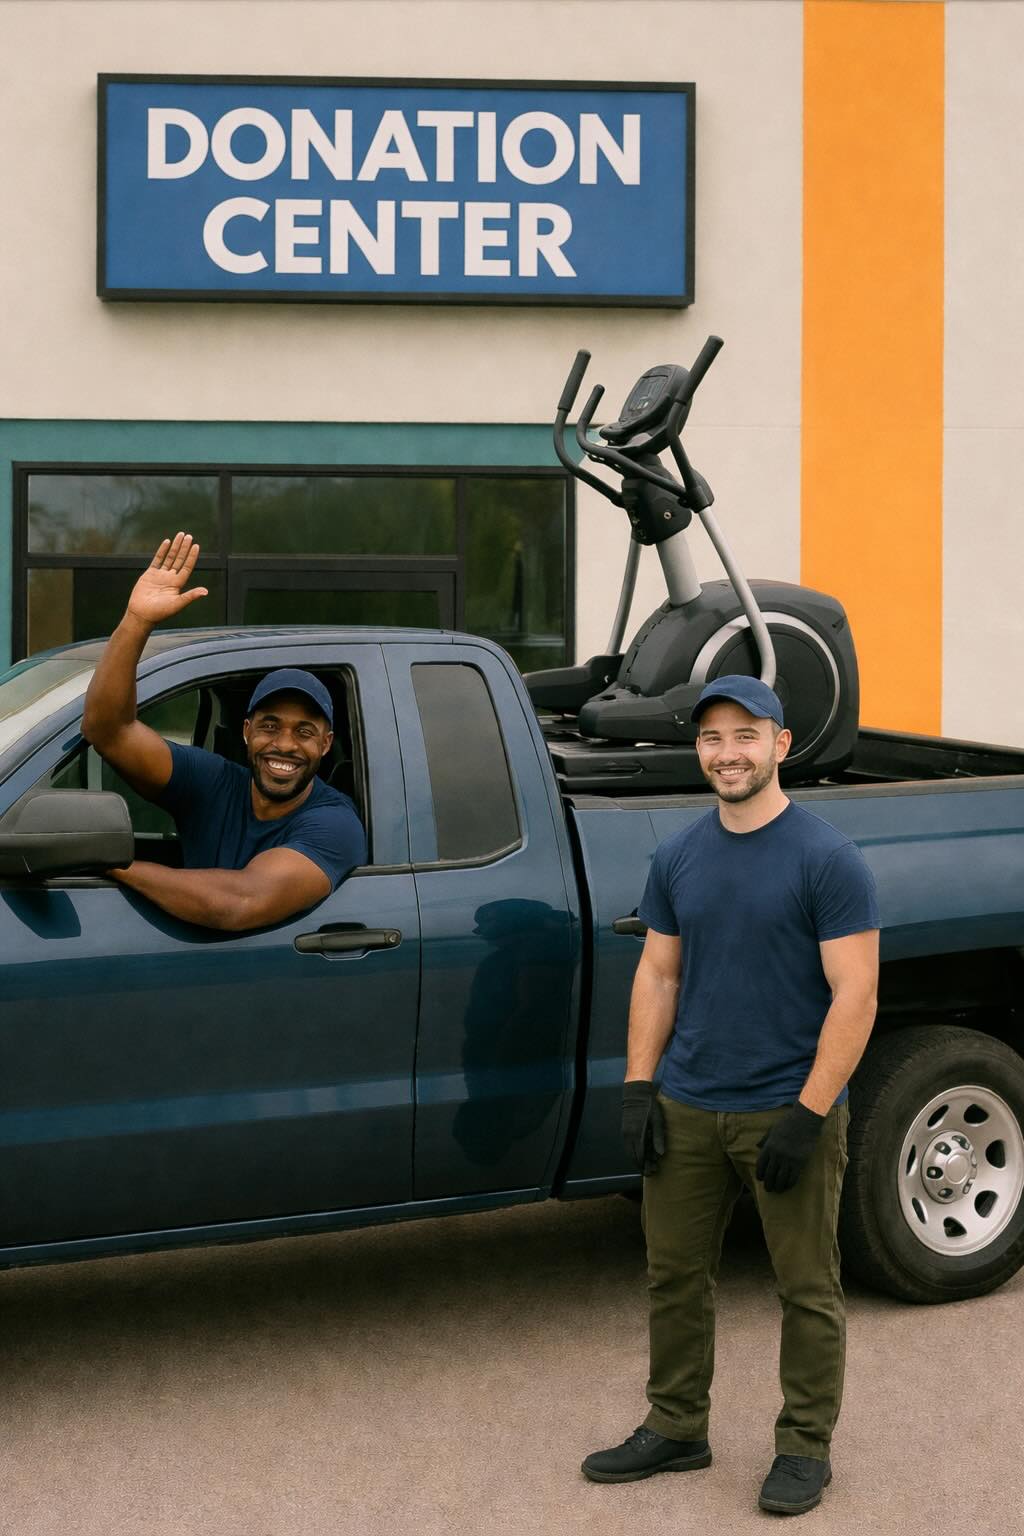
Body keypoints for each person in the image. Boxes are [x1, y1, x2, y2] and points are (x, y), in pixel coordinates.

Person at [581, 675, 879, 1516]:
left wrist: (810, 1114)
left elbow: (857, 994)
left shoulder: (827, 858)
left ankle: (804, 1447)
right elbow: (659, 972)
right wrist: (639, 1087)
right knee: (673, 1277)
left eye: (746, 735)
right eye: (712, 738)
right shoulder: (679, 855)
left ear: (780, 745)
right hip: (687, 1104)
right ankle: (677, 1426)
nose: (727, 753)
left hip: (787, 1107)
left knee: (806, 1288)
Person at [81, 532, 367, 931]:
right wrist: (136, 621)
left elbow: (241, 902)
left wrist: (114, 866)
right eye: (270, 726)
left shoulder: (335, 823)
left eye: (304, 732)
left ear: (325, 744)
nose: (284, 744)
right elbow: (108, 731)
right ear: (247, 731)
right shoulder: (213, 783)